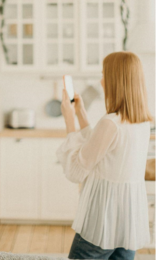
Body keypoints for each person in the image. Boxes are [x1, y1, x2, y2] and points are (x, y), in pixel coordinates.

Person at [56, 51, 153, 260]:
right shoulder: (142, 122)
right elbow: (100, 147)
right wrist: (81, 113)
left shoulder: (110, 122)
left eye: (104, 74)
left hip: (101, 219)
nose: (101, 81)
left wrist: (69, 120)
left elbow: (75, 172)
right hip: (128, 219)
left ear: (115, 80)